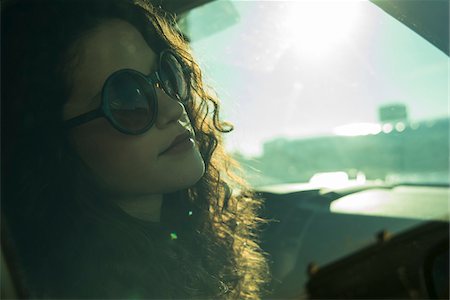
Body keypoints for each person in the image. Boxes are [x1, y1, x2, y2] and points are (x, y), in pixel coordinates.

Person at [1, 0, 269, 298]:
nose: (173, 106)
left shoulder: (187, 244)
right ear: (51, 147)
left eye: (167, 75)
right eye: (127, 98)